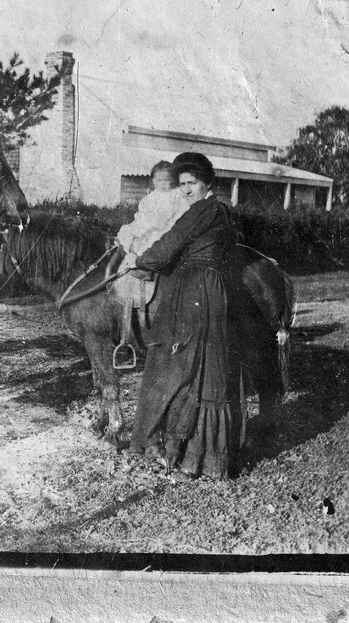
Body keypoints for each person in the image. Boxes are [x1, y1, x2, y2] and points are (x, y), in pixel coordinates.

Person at [128, 153, 239, 480]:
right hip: (208, 289)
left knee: (177, 367)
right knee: (202, 371)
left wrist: (141, 260)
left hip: (195, 291)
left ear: (207, 183)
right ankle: (194, 458)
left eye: (192, 183)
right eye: (182, 184)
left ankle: (175, 451)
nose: (186, 190)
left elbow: (169, 244)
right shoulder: (220, 211)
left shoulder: (202, 210)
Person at [115, 161, 190, 264]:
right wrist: (144, 230)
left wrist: (156, 229)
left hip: (166, 228)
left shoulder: (176, 196)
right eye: (159, 180)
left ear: (172, 180)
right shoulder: (150, 198)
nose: (163, 183)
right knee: (127, 232)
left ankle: (142, 260)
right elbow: (143, 217)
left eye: (166, 180)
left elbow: (178, 215)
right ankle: (129, 254)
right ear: (153, 181)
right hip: (147, 226)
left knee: (154, 239)